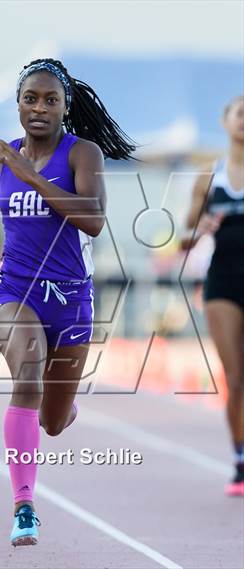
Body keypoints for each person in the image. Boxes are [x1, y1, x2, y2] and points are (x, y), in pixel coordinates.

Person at [0, 58, 136, 545]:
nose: (39, 108)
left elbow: (93, 219)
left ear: (64, 107)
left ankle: (62, 407)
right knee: (28, 370)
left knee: (52, 422)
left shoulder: (82, 155)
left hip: (71, 300)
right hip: (15, 291)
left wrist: (29, 177)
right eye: (30, 98)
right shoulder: (1, 156)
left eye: (51, 100)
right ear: (17, 104)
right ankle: (24, 506)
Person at [181, 95, 244, 497]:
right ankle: (240, 460)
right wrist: (203, 224)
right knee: (235, 377)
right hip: (223, 283)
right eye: (240, 114)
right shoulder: (210, 175)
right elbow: (185, 236)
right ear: (225, 121)